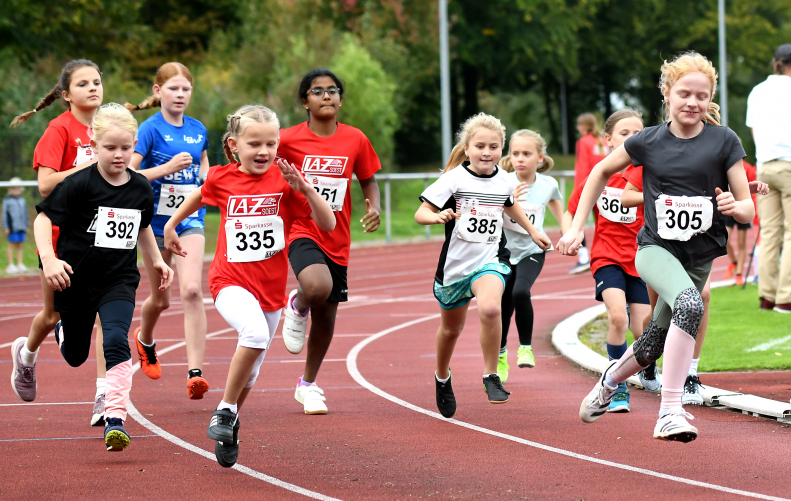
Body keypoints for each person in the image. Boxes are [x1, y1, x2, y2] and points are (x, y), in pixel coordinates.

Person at [560, 51, 754, 442]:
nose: (693, 102)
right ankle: (669, 411)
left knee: (653, 342)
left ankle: (609, 380)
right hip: (654, 250)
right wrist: (577, 227)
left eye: (702, 95)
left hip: (699, 255)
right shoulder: (648, 140)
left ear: (711, 98)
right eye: (684, 93)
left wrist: (738, 205)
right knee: (691, 304)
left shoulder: (724, 141)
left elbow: (748, 207)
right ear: (667, 93)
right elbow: (599, 172)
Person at [163, 105, 335, 467]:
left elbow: (328, 223)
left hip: (271, 291)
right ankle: (224, 412)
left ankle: (230, 422)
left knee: (253, 370)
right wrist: (171, 225)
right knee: (254, 335)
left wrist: (303, 186)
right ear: (233, 144)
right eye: (254, 142)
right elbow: (199, 193)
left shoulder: (285, 181)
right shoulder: (222, 178)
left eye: (271, 143)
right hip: (229, 282)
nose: (263, 151)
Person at [33, 103, 173, 451]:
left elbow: (141, 228)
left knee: (115, 340)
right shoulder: (79, 183)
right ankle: (64, 328)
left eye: (126, 148)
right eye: (110, 148)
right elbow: (41, 219)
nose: (118, 155)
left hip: (118, 280)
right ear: (94, 143)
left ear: (135, 143)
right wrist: (49, 259)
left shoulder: (140, 187)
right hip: (75, 280)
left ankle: (115, 418)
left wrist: (156, 261)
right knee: (76, 355)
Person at [416, 113, 551, 418]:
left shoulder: (504, 180)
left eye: (493, 146)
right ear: (467, 148)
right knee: (451, 330)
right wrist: (436, 217)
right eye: (480, 146)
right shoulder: (453, 179)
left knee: (490, 308)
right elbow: (421, 212)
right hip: (454, 269)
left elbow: (510, 205)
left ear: (501, 149)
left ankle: (491, 375)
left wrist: (533, 231)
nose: (487, 152)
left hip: (490, 260)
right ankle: (441, 376)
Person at [9, 59, 109, 427]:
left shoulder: (108, 126)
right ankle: (27, 354)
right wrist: (91, 165)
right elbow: (47, 186)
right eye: (83, 84)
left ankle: (104, 397)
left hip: (102, 238)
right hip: (58, 241)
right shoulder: (59, 130)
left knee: (105, 318)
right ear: (66, 95)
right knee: (51, 316)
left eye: (97, 82)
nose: (93, 88)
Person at [277, 68, 382, 415]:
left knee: (327, 317)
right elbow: (257, 156)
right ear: (304, 101)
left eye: (333, 90)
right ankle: (298, 303)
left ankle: (308, 384)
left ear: (340, 98)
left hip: (337, 235)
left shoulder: (355, 139)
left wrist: (375, 206)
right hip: (301, 227)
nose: (326, 96)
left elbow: (368, 179)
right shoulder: (287, 139)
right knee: (317, 288)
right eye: (317, 91)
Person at [622, 160, 767, 406]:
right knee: (659, 314)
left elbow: (717, 194)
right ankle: (648, 358)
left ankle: (690, 374)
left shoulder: (715, 152)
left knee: (702, 297)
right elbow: (627, 198)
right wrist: (664, 195)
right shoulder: (654, 150)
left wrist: (743, 192)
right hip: (663, 244)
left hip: (700, 244)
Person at [125, 62, 211, 398]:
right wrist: (167, 168)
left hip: (189, 220)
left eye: (186, 89)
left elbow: (202, 160)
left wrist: (203, 175)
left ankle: (195, 373)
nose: (180, 95)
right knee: (160, 300)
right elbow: (129, 175)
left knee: (191, 290)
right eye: (173, 88)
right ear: (158, 91)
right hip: (153, 224)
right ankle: (145, 339)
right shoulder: (149, 129)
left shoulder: (198, 128)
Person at [563, 109, 653, 413]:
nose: (632, 139)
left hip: (640, 260)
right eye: (625, 133)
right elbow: (570, 210)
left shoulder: (648, 172)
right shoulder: (600, 173)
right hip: (607, 258)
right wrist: (571, 235)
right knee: (618, 318)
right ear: (608, 139)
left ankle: (647, 367)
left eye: (638, 134)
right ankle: (616, 387)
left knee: (644, 330)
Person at [497, 130, 563, 382]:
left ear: (540, 158)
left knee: (520, 292)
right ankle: (501, 354)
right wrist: (508, 200)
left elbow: (560, 212)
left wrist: (569, 235)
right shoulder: (502, 181)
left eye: (526, 153)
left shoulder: (549, 185)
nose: (520, 159)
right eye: (515, 154)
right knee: (503, 306)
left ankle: (525, 347)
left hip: (533, 251)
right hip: (503, 252)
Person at [746, 43, 791, 313]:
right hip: (789, 163)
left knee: (770, 231)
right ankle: (786, 297)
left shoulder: (757, 91)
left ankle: (767, 295)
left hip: (765, 165)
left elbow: (753, 129)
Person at [569, 113, 608, 275]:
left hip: (589, 186)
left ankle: (584, 257)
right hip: (606, 186)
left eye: (579, 125)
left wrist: (577, 191)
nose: (578, 128)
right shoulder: (603, 141)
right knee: (604, 221)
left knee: (576, 219)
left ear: (584, 126)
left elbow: (583, 167)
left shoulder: (583, 142)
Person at [723, 159, 758, 286]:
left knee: (742, 242)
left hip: (742, 206)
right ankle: (734, 262)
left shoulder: (747, 167)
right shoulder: (725, 164)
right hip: (730, 205)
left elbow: (751, 188)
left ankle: (739, 273)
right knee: (725, 238)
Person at [3, 177, 29, 274]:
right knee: (11, 245)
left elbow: (25, 213)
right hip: (12, 227)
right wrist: (5, 226)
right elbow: (5, 215)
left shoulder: (22, 200)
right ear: (10, 189)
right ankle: (10, 265)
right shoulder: (7, 201)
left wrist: (26, 224)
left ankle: (19, 264)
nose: (16, 190)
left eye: (18, 188)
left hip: (21, 227)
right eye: (14, 188)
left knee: (19, 245)